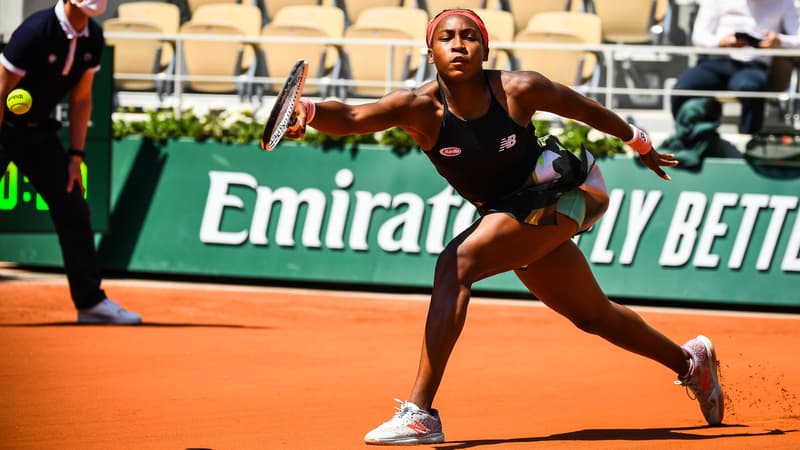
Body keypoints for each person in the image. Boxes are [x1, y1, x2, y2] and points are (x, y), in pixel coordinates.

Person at [285, 9, 723, 445]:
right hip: (512, 214)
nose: (459, 44)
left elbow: (584, 108)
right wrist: (307, 109)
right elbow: (353, 118)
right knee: (594, 316)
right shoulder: (419, 108)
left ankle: (420, 413)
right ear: (431, 54)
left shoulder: (519, 89)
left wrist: (639, 141)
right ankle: (691, 363)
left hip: (566, 191)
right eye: (447, 38)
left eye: (470, 37)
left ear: (486, 49)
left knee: (456, 264)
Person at [0, 0, 141, 325]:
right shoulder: (36, 30)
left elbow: (81, 98)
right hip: (4, 129)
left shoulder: (93, 37)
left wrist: (76, 156)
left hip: (38, 135)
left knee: (73, 208)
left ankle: (91, 303)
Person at [670, 0, 800, 134]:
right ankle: (686, 137)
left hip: (753, 66)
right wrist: (721, 42)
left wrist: (779, 40)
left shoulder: (785, 2)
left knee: (751, 88)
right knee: (682, 88)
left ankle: (749, 142)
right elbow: (698, 36)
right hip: (714, 62)